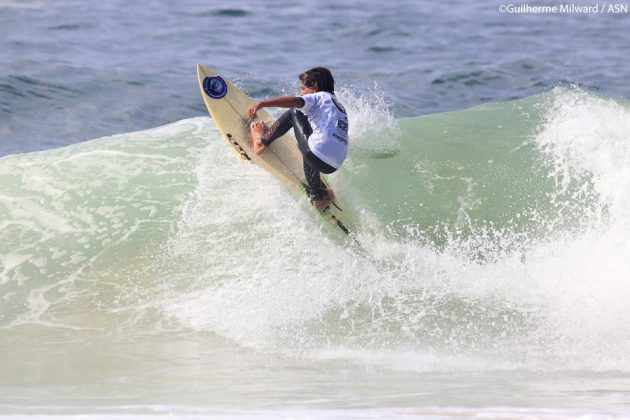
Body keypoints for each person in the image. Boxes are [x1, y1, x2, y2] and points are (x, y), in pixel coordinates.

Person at [247, 67, 349, 211]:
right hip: (335, 163)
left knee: (295, 112)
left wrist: (263, 104)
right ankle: (321, 193)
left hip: (317, 155)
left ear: (314, 87)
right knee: (315, 139)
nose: (301, 93)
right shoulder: (337, 106)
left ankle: (261, 142)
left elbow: (295, 101)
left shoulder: (318, 97)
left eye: (303, 88)